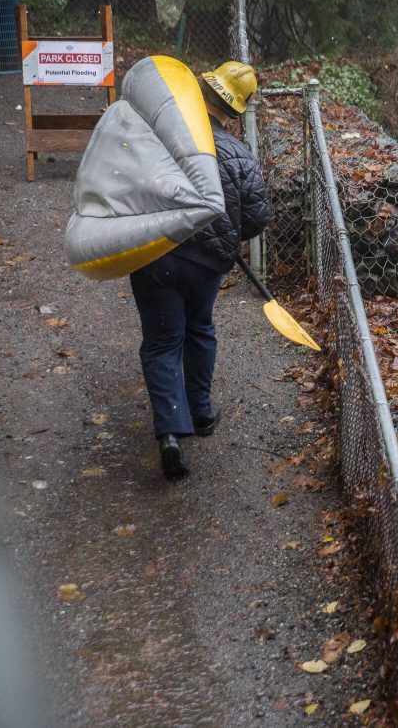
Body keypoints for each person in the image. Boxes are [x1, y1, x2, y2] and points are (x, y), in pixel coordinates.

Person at [130, 61, 270, 480]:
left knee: (161, 341)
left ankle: (171, 433)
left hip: (155, 253)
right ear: (234, 111)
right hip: (206, 265)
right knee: (200, 328)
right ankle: (203, 413)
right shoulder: (240, 156)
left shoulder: (159, 138)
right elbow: (258, 217)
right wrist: (227, 234)